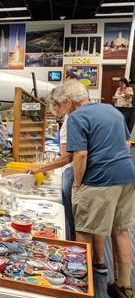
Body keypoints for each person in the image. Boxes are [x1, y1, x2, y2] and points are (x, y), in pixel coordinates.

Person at [59, 80, 135, 294]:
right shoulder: (112, 111)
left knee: (84, 230)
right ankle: (124, 285)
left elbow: (80, 154)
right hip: (127, 175)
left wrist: (77, 184)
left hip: (100, 179)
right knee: (121, 231)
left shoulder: (76, 117)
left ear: (69, 101)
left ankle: (80, 284)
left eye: (63, 104)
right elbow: (127, 143)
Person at [25, 88, 74, 239]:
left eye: (53, 105)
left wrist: (40, 168)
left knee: (73, 216)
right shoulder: (71, 118)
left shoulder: (72, 119)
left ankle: (76, 244)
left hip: (72, 170)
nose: (52, 110)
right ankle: (95, 258)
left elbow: (67, 157)